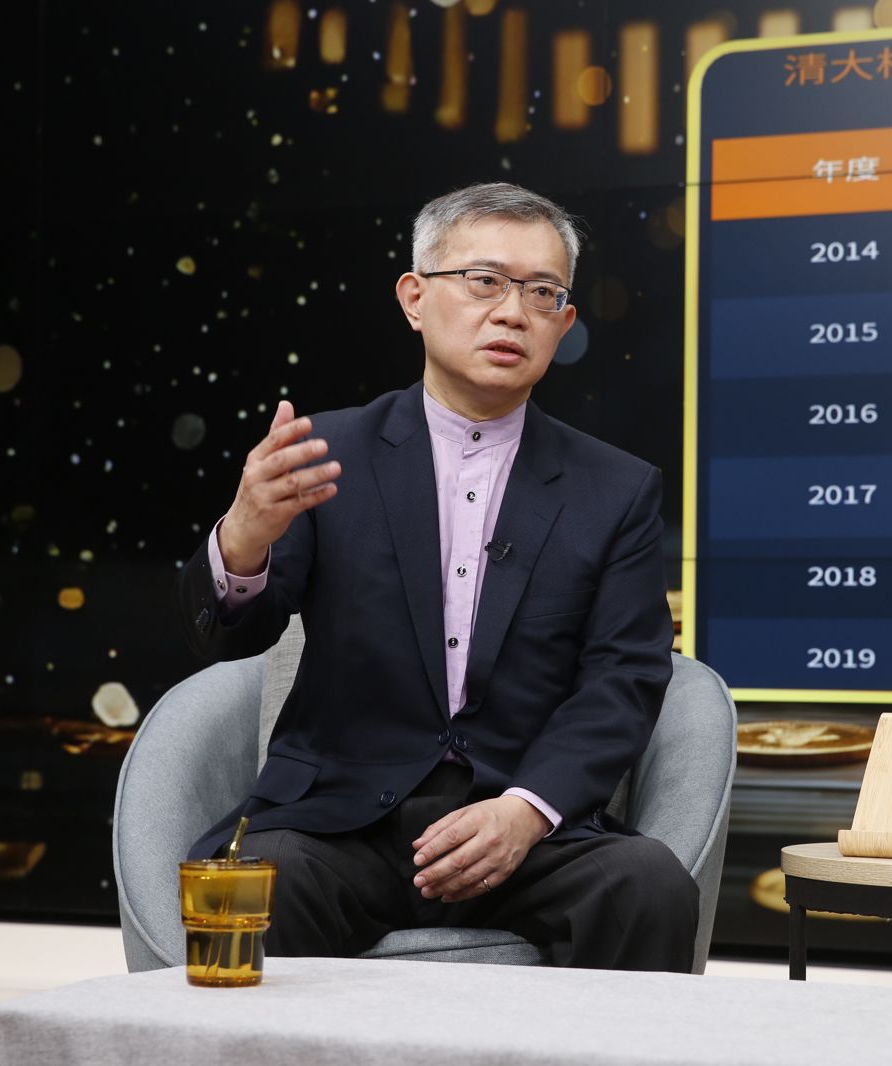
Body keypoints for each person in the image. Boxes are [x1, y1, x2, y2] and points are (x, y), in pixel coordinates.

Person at [174, 182, 697, 971]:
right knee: (261, 881)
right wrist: (244, 538)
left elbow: (623, 677)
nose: (512, 313)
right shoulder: (328, 456)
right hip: (339, 822)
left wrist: (526, 811)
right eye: (485, 281)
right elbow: (227, 638)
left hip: (521, 824)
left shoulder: (615, 489)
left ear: (564, 324)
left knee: (646, 885)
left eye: (542, 293)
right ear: (415, 299)